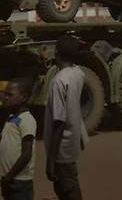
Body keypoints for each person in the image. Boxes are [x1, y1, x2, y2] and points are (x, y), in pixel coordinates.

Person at [44, 35, 88, 200]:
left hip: (61, 149)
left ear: (56, 53)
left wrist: (51, 159)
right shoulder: (77, 73)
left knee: (67, 188)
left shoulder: (58, 82)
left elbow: (59, 122)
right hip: (72, 143)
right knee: (69, 184)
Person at [0, 79, 37, 200]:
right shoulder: (11, 118)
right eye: (5, 94)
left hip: (20, 181)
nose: (5, 97)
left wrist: (9, 177)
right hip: (9, 178)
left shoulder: (27, 120)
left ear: (24, 97)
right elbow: (5, 144)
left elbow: (26, 154)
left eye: (10, 95)